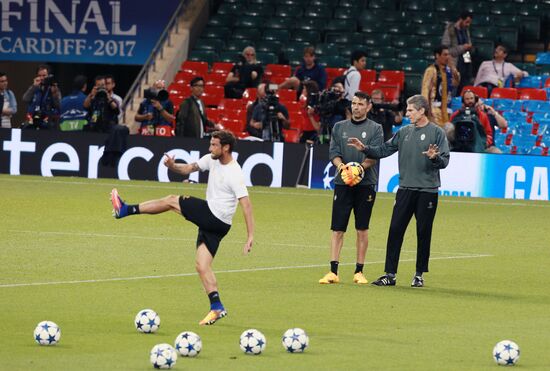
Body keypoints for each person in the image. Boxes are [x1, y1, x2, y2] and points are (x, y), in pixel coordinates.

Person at [110, 130, 254, 325]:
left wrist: (250, 235)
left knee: (171, 201)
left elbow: (246, 204)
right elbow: (188, 169)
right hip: (220, 225)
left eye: (214, 145)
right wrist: (172, 166)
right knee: (202, 265)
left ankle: (126, 210)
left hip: (214, 215)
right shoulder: (212, 159)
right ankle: (216, 307)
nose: (210, 148)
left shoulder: (234, 173)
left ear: (226, 147)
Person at [348, 95, 450, 288]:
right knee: (395, 230)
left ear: (421, 111)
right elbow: (384, 150)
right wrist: (365, 148)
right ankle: (390, 274)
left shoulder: (437, 133)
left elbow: (444, 161)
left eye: (410, 110)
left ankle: (419, 274)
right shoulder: (404, 132)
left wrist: (434, 158)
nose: (407, 114)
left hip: (427, 191)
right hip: (405, 190)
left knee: (423, 232)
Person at [318, 91, 384, 285]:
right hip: (342, 183)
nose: (356, 107)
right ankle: (333, 271)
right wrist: (343, 168)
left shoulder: (376, 128)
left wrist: (358, 170)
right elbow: (334, 153)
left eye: (360, 104)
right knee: (337, 228)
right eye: (354, 103)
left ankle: (359, 271)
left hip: (366, 184)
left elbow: (375, 154)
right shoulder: (339, 127)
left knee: (362, 228)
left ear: (368, 106)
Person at [421, 45, 460, 127]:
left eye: (448, 54)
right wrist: (426, 111)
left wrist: (452, 67)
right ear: (437, 56)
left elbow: (456, 82)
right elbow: (425, 91)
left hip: (447, 110)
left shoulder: (449, 71)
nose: (448, 57)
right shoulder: (431, 70)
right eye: (445, 55)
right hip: (434, 110)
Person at [442, 11, 473, 94]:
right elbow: (446, 50)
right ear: (460, 20)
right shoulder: (450, 30)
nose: (468, 25)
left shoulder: (466, 30)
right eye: (466, 22)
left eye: (469, 23)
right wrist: (463, 48)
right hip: (454, 64)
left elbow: (468, 45)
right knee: (453, 89)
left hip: (465, 64)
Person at [22, 64, 61, 130]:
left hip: (48, 123)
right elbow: (25, 99)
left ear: (48, 76)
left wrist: (54, 93)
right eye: (39, 76)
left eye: (44, 75)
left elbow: (59, 105)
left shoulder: (53, 88)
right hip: (32, 122)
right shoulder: (34, 87)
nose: (42, 78)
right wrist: (33, 87)